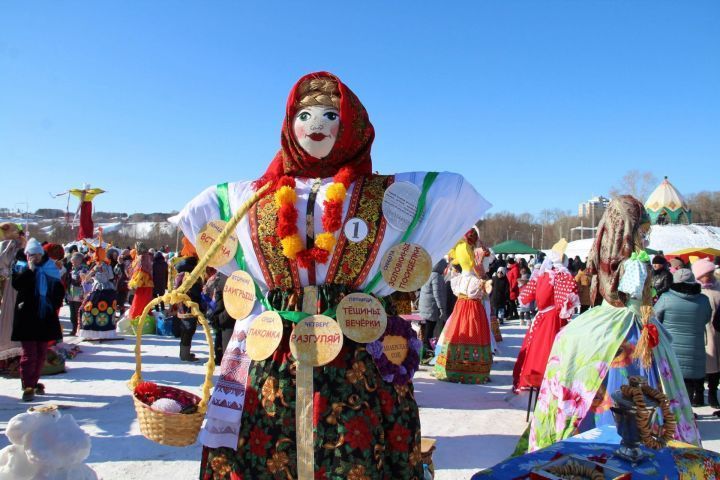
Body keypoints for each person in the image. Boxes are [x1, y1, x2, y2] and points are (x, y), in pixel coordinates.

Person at [170, 72, 490, 478]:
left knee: (352, 447)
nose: (315, 124)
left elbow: (449, 191)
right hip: (275, 350)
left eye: (328, 114)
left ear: (351, 125)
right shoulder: (254, 195)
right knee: (268, 444)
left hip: (355, 349)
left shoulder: (381, 193)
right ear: (289, 126)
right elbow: (201, 210)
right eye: (304, 114)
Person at [528, 196, 700, 452]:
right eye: (640, 231)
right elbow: (622, 293)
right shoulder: (630, 262)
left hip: (628, 325)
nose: (644, 237)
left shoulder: (621, 259)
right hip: (626, 325)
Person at [512, 239, 579, 392]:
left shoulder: (542, 275)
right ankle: (548, 380)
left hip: (541, 317)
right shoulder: (562, 276)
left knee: (535, 348)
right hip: (554, 319)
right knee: (550, 349)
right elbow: (568, 300)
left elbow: (527, 295)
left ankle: (531, 377)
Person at [435, 230, 493, 383]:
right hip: (473, 309)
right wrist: (483, 278)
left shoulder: (461, 278)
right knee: (472, 332)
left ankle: (455, 366)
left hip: (461, 307)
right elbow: (482, 293)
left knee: (458, 331)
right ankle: (471, 367)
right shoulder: (474, 279)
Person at [11, 238, 64, 401]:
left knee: (41, 352)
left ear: (42, 255)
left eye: (36, 255)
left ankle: (33, 382)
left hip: (44, 318)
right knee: (29, 352)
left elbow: (58, 291)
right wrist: (31, 270)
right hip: (26, 316)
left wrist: (51, 305)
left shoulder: (50, 268)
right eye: (30, 255)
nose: (34, 258)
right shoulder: (21, 267)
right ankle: (27, 385)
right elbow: (17, 285)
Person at [655, 268, 712, 407]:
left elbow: (656, 319)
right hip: (695, 345)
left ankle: (676, 412)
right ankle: (688, 412)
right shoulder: (704, 300)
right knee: (690, 382)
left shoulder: (666, 298)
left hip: (671, 347)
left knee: (673, 381)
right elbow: (706, 318)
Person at [78, 235, 118, 340]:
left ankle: (95, 331)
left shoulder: (99, 266)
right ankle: (102, 332)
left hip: (99, 289)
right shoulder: (105, 266)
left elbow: (89, 278)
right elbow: (111, 276)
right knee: (101, 309)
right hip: (106, 289)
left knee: (95, 307)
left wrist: (88, 276)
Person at [692, 258, 720, 408]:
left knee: (715, 365)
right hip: (699, 332)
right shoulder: (694, 289)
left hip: (717, 333)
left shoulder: (719, 287)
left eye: (710, 272)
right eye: (705, 274)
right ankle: (698, 393)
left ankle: (713, 394)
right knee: (699, 365)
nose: (708, 276)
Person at [0, 223, 25, 361]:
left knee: (13, 314)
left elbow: (17, 265)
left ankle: (17, 350)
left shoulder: (15, 247)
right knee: (10, 314)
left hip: (16, 285)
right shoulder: (11, 246)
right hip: (13, 284)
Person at [418, 258, 448, 352]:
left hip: (425, 306)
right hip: (431, 307)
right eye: (444, 267)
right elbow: (437, 294)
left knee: (427, 328)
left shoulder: (428, 274)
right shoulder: (436, 276)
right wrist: (442, 308)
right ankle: (426, 350)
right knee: (429, 330)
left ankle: (425, 348)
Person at [128, 242, 154, 320]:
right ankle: (144, 316)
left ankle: (136, 318)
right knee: (145, 301)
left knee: (139, 302)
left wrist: (134, 282)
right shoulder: (147, 256)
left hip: (143, 284)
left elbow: (140, 270)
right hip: (147, 283)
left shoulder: (141, 257)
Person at [65, 252, 88, 336]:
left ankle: (80, 329)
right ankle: (74, 328)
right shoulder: (73, 269)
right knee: (72, 314)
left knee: (79, 312)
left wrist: (73, 277)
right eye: (72, 261)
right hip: (71, 294)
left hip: (79, 295)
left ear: (79, 260)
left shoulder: (84, 269)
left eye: (73, 261)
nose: (72, 263)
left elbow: (81, 280)